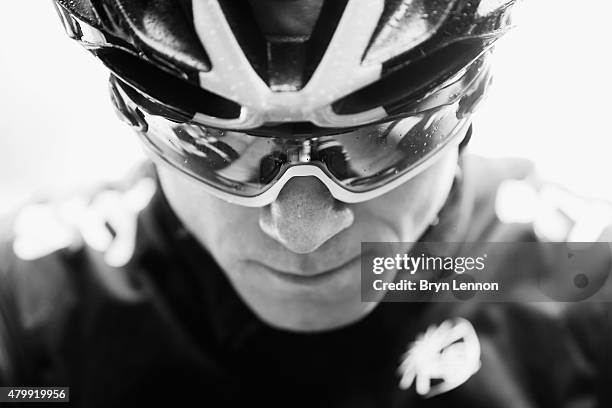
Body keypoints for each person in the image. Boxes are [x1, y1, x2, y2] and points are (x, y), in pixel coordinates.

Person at [1, 0, 611, 406]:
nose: (302, 232)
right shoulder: (26, 312)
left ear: (468, 105)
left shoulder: (587, 281)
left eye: (381, 140)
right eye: (216, 145)